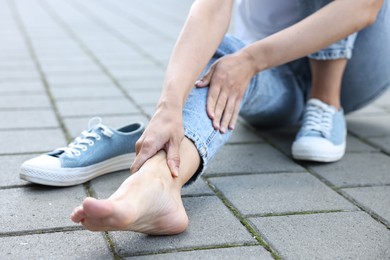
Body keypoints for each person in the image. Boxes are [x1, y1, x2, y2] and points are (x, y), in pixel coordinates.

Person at [71, 0, 389, 234]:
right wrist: (169, 105)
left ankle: (326, 100)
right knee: (223, 61)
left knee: (239, 59)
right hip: (273, 69)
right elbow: (211, 9)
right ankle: (157, 186)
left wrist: (251, 58)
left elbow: (363, 7)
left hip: (358, 67)